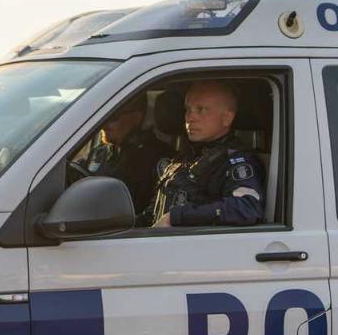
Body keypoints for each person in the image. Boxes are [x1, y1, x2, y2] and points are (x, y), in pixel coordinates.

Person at [150, 80, 265, 228]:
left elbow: (247, 208)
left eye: (201, 109)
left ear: (227, 118)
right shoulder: (187, 157)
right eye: (188, 109)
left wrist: (178, 217)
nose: (190, 118)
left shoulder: (236, 162)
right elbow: (156, 213)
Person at [87, 96, 173, 215]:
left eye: (113, 117)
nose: (105, 124)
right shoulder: (98, 153)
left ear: (137, 117)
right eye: (103, 117)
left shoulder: (156, 157)